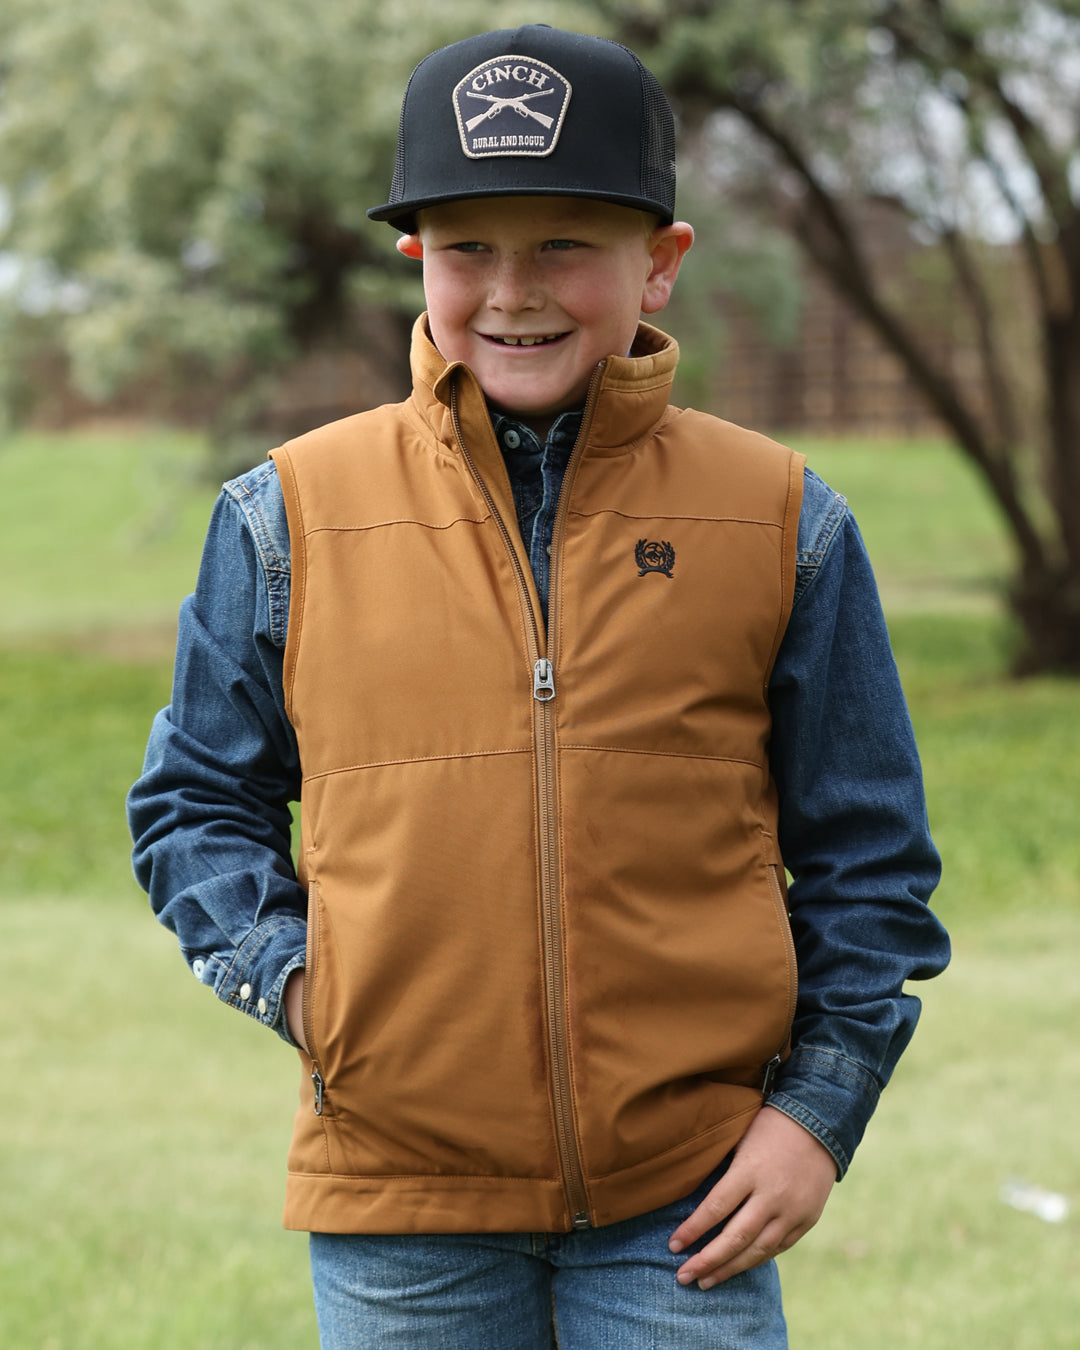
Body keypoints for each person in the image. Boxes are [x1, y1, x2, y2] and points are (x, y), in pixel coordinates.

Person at [128, 24, 950, 1349]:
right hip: (401, 1203)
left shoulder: (785, 518)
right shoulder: (286, 513)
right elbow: (191, 806)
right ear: (418, 258)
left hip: (685, 1201)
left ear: (661, 264)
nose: (514, 290)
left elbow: (868, 857)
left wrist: (817, 1113)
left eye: (566, 241)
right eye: (469, 247)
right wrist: (305, 989)